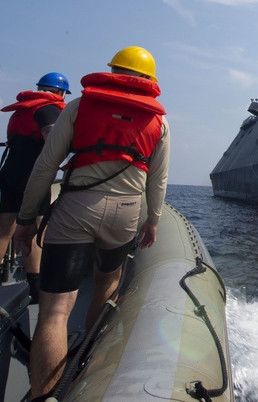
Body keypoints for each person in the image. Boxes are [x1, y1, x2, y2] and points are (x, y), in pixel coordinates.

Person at [13, 46, 170, 400]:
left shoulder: (78, 107)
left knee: (55, 311)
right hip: (125, 214)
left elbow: (45, 166)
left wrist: (25, 218)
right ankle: (84, 371)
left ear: (113, 72)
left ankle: (44, 396)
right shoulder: (159, 121)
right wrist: (153, 221)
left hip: (76, 210)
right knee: (106, 286)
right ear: (149, 80)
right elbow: (157, 180)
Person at [0, 72, 71, 300]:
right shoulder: (48, 109)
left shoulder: (23, 110)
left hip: (9, 174)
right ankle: (35, 288)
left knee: (4, 230)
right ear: (60, 92)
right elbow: (53, 139)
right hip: (31, 179)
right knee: (34, 232)